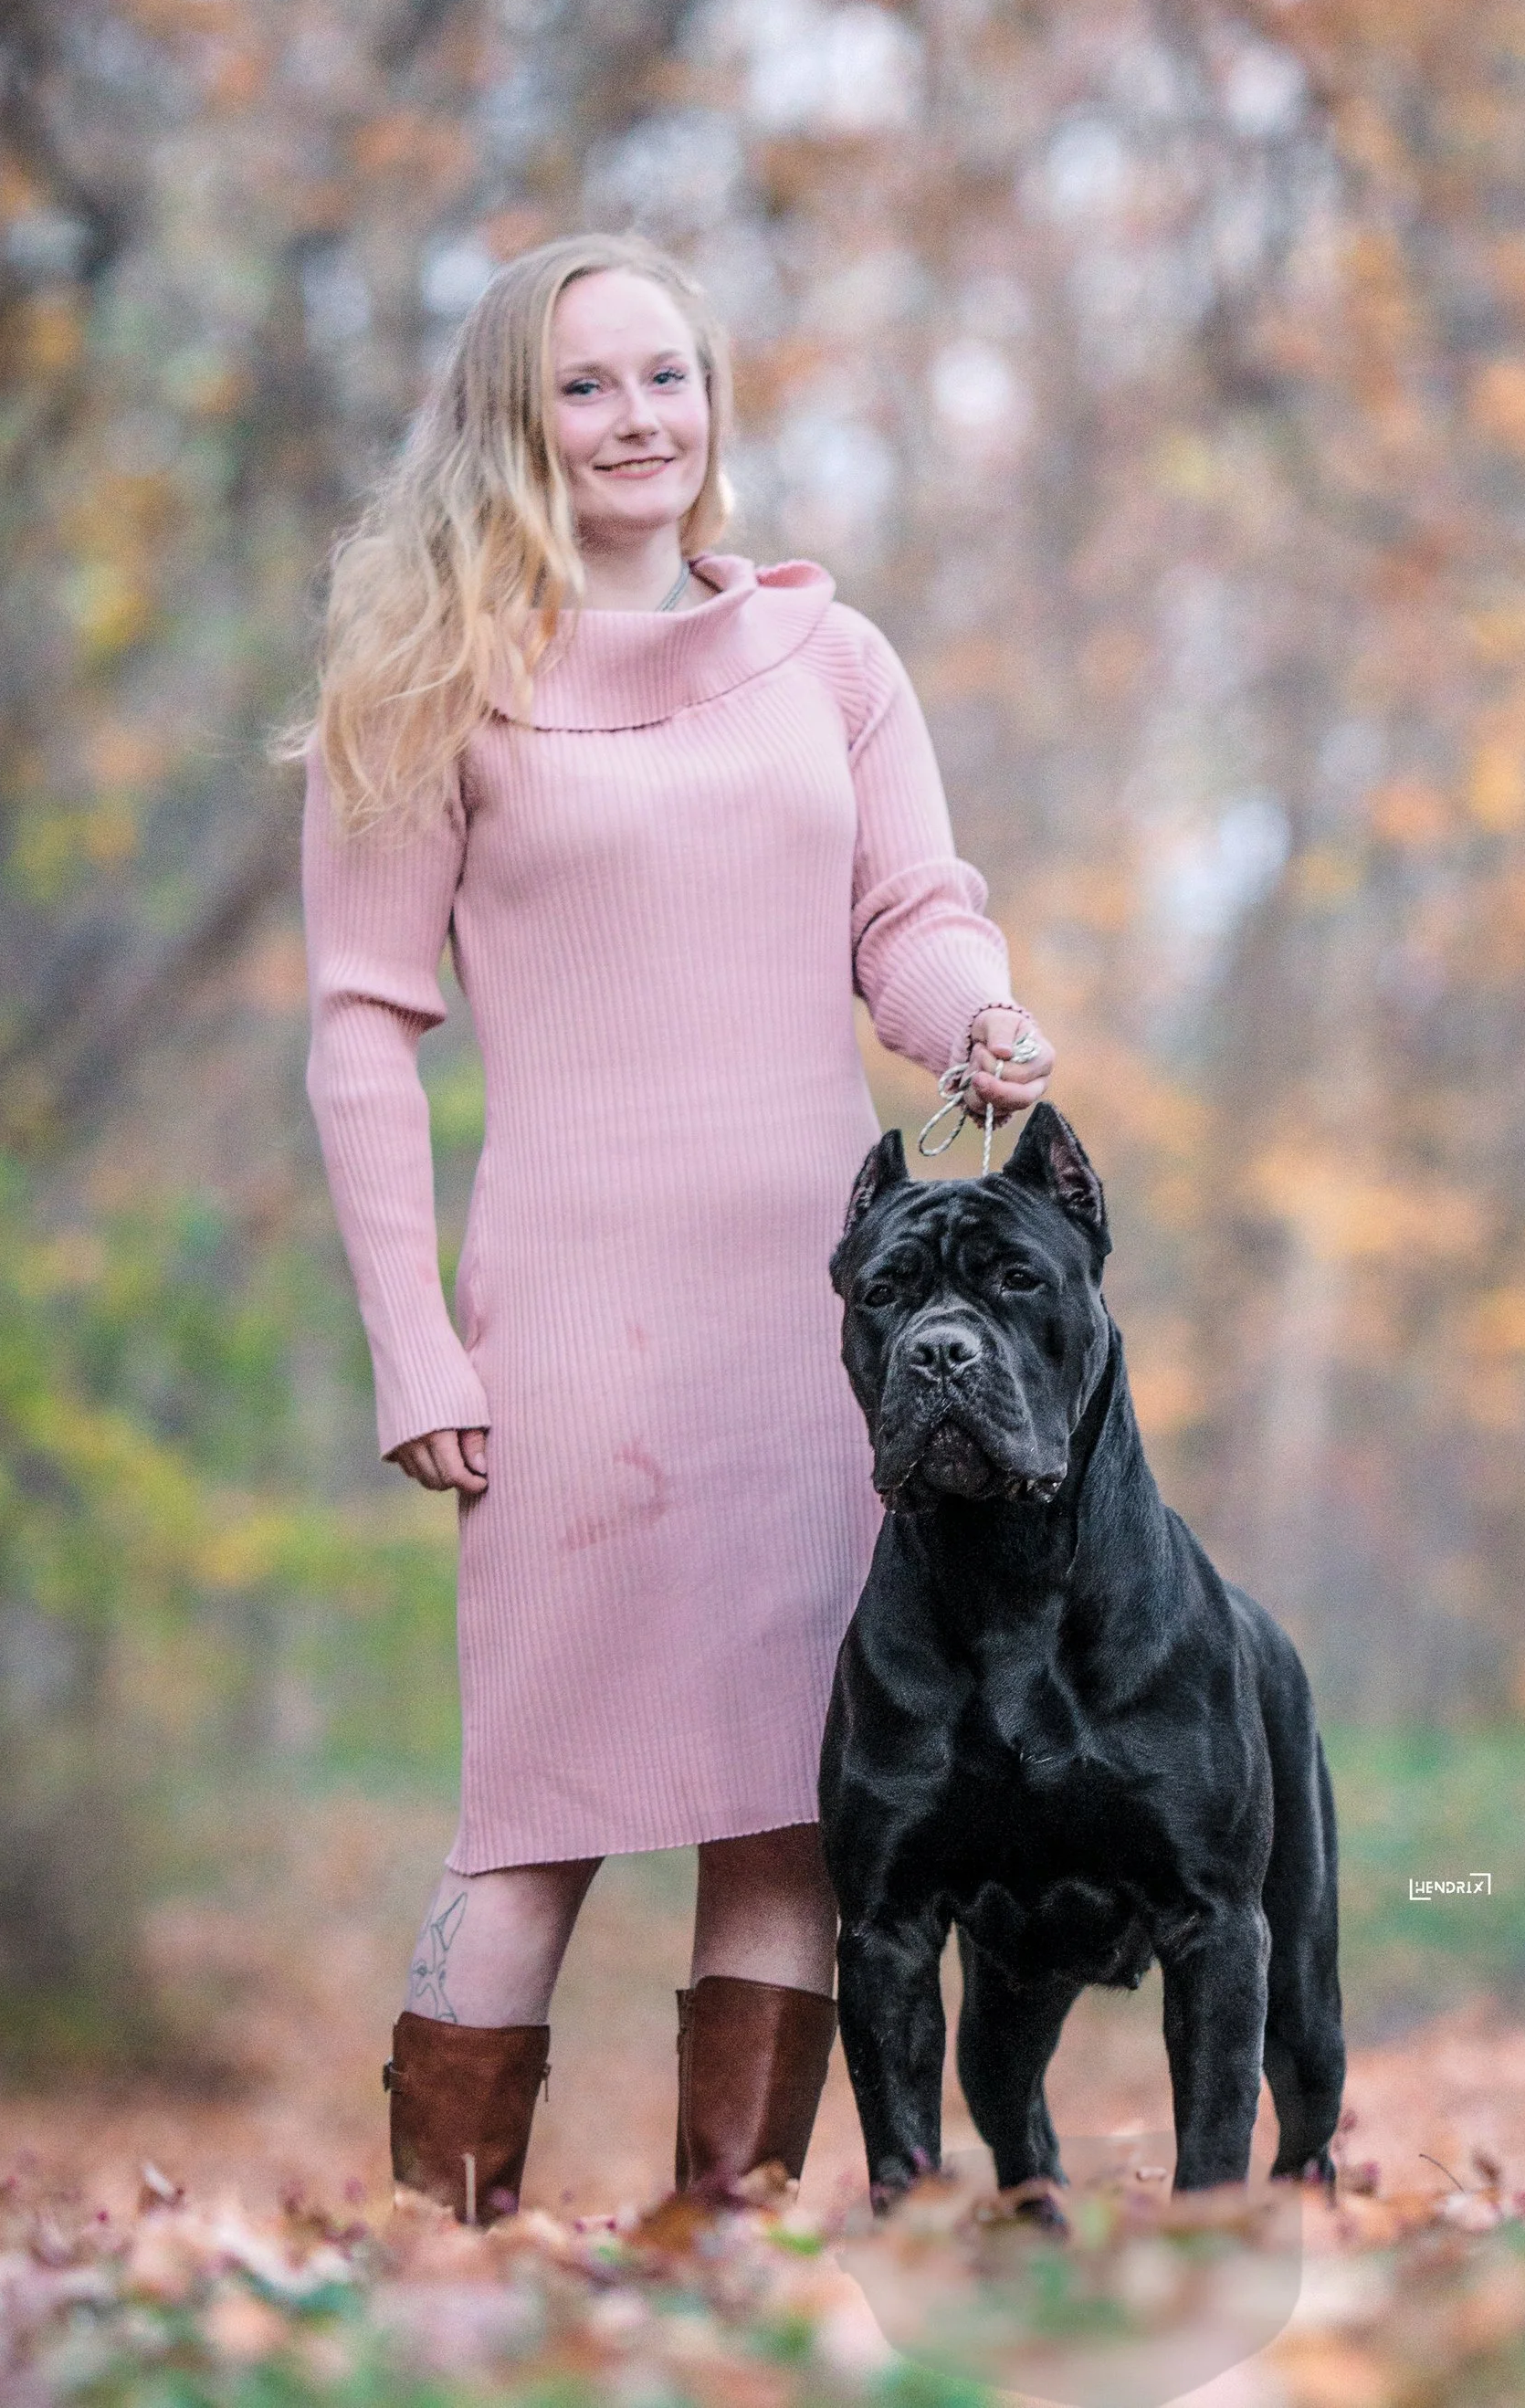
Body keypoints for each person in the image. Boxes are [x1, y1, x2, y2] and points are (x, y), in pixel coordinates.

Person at [294, 231, 1053, 2220]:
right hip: (571, 1327)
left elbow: (907, 913)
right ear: (509, 417)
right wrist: (410, 1338)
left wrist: (972, 1010)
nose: (636, 418)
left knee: (791, 1805)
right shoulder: (430, 680)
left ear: (711, 404)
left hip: (812, 1335)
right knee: (529, 1814)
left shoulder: (830, 657)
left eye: (666, 377)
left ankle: (715, 2252)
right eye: (585, 383)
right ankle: (440, 2260)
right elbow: (362, 1029)